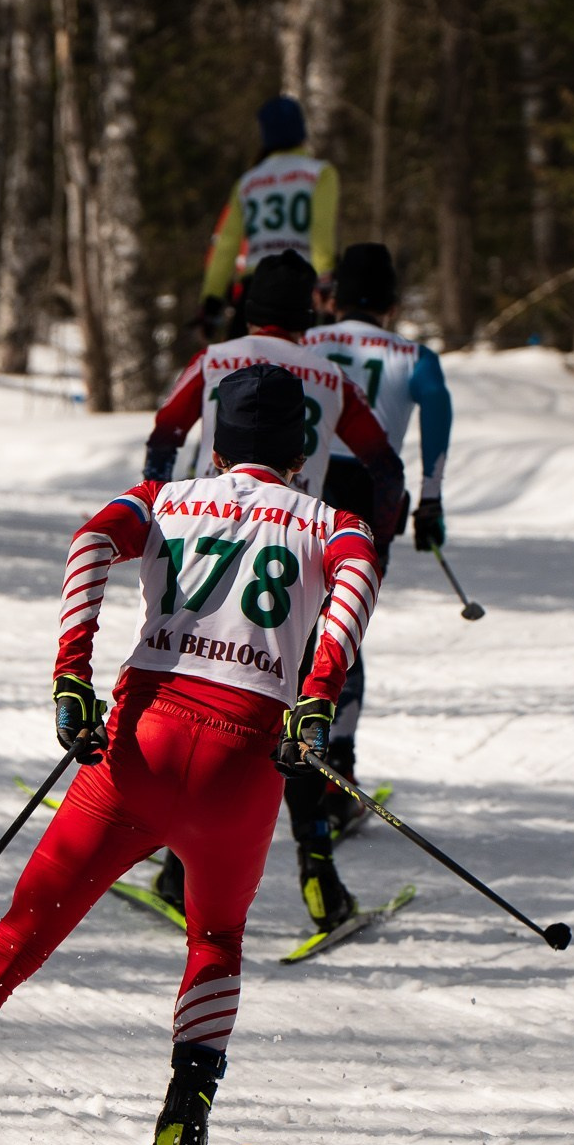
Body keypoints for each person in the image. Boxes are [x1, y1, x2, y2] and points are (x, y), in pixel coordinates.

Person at [0, 365, 382, 1145]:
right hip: (242, 764)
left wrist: (71, 673)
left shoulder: (162, 496)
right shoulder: (330, 519)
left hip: (138, 747)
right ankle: (181, 1133)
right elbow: (357, 575)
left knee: (14, 941)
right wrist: (317, 697)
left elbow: (89, 541)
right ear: (300, 454)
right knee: (214, 940)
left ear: (215, 441)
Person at [145, 250, 403, 929]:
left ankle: (177, 865)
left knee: (193, 697)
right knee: (290, 717)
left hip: (204, 545)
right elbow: (382, 463)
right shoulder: (329, 374)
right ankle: (318, 874)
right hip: (296, 551)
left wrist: (161, 501)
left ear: (248, 304)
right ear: (310, 309)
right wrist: (375, 541)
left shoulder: (215, 358)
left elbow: (165, 431)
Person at [293, 241, 455, 907]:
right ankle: (335, 773)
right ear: (392, 301)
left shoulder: (302, 339)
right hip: (370, 486)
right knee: (343, 629)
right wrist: (432, 494)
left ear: (335, 294)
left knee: (289, 620)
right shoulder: (412, 356)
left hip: (301, 483)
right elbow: (437, 413)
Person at [195, 96, 340, 343]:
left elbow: (226, 245)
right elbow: (321, 231)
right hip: (300, 283)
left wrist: (211, 300)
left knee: (239, 369)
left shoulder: (248, 181)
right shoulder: (319, 173)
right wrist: (325, 278)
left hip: (256, 288)